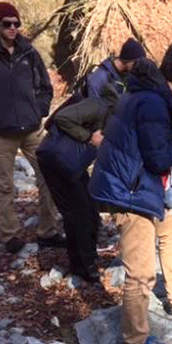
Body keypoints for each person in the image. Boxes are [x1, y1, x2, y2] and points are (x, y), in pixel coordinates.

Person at [89, 43, 172, 344]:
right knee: (140, 273)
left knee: (169, 228)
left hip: (134, 181)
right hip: (128, 190)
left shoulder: (148, 92)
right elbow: (157, 159)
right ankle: (135, 342)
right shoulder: (154, 103)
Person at [0, 2, 64, 254]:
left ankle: (48, 231)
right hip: (1, 133)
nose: (13, 28)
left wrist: (39, 109)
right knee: (5, 186)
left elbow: (44, 86)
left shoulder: (28, 52)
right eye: (7, 23)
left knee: (49, 176)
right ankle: (11, 236)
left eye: (16, 23)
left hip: (31, 129)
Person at [36, 84, 120, 282]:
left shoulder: (111, 114)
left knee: (89, 207)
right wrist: (90, 137)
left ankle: (88, 258)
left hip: (73, 163)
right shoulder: (96, 106)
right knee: (77, 212)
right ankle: (82, 265)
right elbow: (62, 118)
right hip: (55, 161)